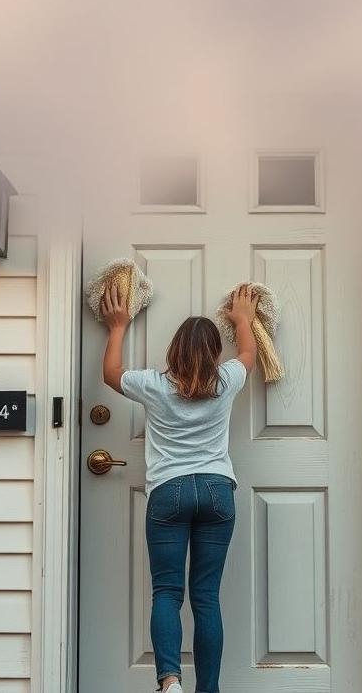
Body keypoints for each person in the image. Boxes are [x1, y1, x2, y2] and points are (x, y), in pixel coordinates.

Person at [100, 281, 260, 693]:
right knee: (206, 596)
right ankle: (208, 689)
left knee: (167, 594)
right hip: (216, 492)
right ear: (214, 354)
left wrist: (118, 324)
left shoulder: (153, 384)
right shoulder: (226, 380)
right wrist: (244, 318)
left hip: (168, 493)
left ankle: (170, 682)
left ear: (173, 351)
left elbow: (111, 374)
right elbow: (248, 355)